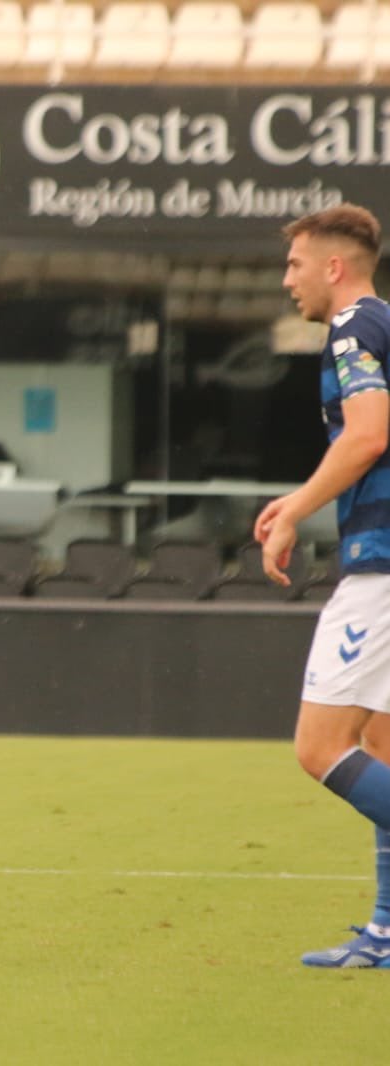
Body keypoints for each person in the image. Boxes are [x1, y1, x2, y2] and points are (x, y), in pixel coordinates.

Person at [258, 203, 390, 967]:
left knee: (320, 748)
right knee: (378, 743)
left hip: (381, 568)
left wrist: (292, 512)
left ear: (333, 267)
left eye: (294, 264)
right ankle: (384, 930)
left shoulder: (352, 328)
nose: (287, 280)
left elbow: (370, 433)